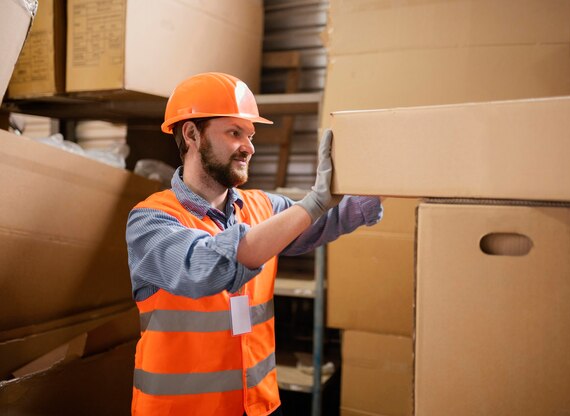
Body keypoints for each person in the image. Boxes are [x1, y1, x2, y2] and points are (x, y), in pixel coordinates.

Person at [125, 72, 382, 416]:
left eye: (250, 134)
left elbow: (326, 219)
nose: (249, 146)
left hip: (257, 406)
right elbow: (207, 267)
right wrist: (313, 203)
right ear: (191, 134)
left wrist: (384, 174)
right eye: (234, 132)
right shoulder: (151, 221)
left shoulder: (262, 208)